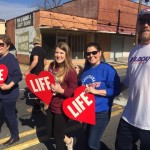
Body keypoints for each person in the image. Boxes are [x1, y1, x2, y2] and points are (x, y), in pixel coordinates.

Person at [115, 8, 150, 150]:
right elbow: (129, 79)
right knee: (121, 146)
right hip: (129, 116)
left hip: (148, 123)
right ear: (137, 25)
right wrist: (110, 91)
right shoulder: (134, 51)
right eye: (142, 21)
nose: (146, 24)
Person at [79, 42, 120, 150]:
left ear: (100, 53)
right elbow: (80, 89)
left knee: (92, 143)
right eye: (88, 53)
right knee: (87, 140)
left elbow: (115, 90)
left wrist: (96, 91)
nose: (91, 55)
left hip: (101, 112)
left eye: (94, 52)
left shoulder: (108, 69)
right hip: (86, 111)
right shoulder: (86, 70)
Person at [46, 42, 78, 150]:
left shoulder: (70, 71)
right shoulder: (51, 65)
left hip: (62, 108)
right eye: (56, 52)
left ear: (66, 54)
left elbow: (74, 91)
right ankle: (69, 141)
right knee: (50, 133)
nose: (58, 55)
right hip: (51, 105)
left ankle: (66, 144)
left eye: (61, 52)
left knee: (58, 137)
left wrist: (61, 90)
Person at [0, 35, 22, 145]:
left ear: (7, 46)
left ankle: (15, 136)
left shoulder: (11, 59)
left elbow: (18, 76)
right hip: (1, 93)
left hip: (9, 94)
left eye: (1, 44)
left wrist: (9, 86)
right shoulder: (0, 58)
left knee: (9, 115)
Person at [24, 36, 47, 112]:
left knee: (35, 90)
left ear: (34, 42)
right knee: (41, 89)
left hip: (35, 73)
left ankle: (36, 107)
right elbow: (45, 62)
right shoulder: (43, 50)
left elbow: (35, 60)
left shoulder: (35, 49)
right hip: (41, 72)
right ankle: (46, 104)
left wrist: (28, 70)